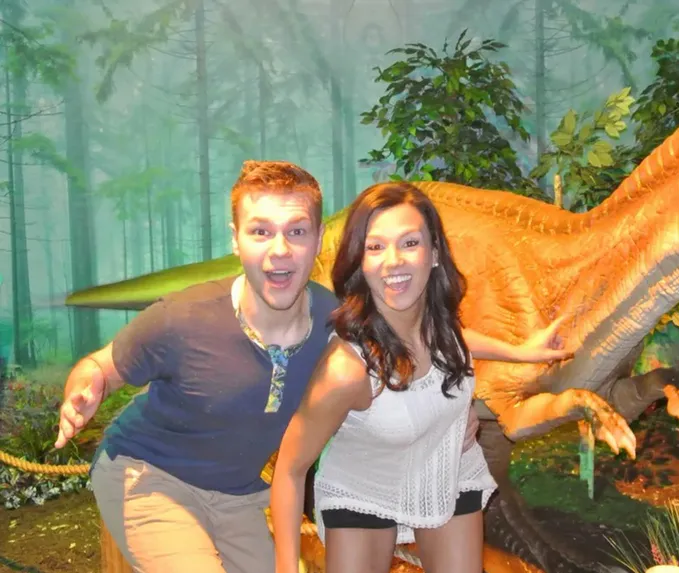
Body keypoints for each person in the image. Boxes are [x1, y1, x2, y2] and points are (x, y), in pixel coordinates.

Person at [53, 162, 568, 573]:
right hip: (150, 471)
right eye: (261, 231)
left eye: (295, 231)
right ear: (236, 239)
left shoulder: (332, 316)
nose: (279, 250)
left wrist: (520, 352)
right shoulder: (180, 318)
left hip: (237, 490)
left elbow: (432, 336)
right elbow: (99, 367)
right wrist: (85, 387)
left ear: (318, 239)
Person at [269, 182, 569, 573]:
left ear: (434, 254)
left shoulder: (438, 327)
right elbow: (290, 469)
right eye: (375, 247)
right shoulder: (347, 370)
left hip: (446, 467)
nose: (393, 261)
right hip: (366, 487)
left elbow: (455, 341)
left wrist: (523, 351)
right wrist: (285, 567)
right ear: (360, 261)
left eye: (409, 243)